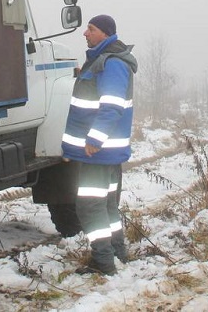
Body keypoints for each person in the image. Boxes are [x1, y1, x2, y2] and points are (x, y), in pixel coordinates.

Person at [62, 14, 138, 275]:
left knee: (90, 207)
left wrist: (94, 140)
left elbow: (112, 106)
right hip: (106, 152)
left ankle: (103, 262)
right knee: (106, 205)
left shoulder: (111, 63)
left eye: (91, 29)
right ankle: (117, 253)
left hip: (100, 152)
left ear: (105, 34)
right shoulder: (103, 61)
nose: (85, 33)